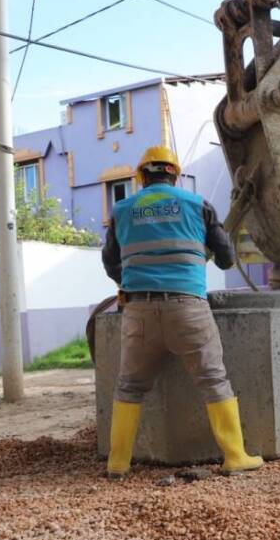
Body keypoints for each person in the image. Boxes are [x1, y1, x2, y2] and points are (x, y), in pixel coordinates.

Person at [100, 145, 263, 479]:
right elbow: (226, 259)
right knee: (212, 379)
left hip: (138, 310)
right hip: (188, 307)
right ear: (174, 174)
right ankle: (234, 456)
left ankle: (118, 464)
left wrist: (132, 279)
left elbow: (110, 262)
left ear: (142, 176)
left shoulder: (121, 209)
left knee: (129, 386)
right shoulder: (197, 204)